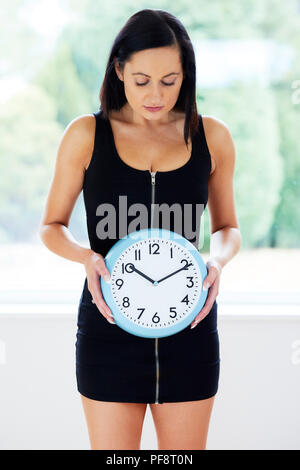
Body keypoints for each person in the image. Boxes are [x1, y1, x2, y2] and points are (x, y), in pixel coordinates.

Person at [39, 8, 241, 450]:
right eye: (141, 81)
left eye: (170, 81)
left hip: (190, 329)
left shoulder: (213, 137)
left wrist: (218, 261)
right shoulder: (86, 135)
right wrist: (86, 257)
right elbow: (51, 226)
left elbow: (227, 227)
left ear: (185, 74)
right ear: (119, 70)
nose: (156, 95)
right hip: (108, 326)